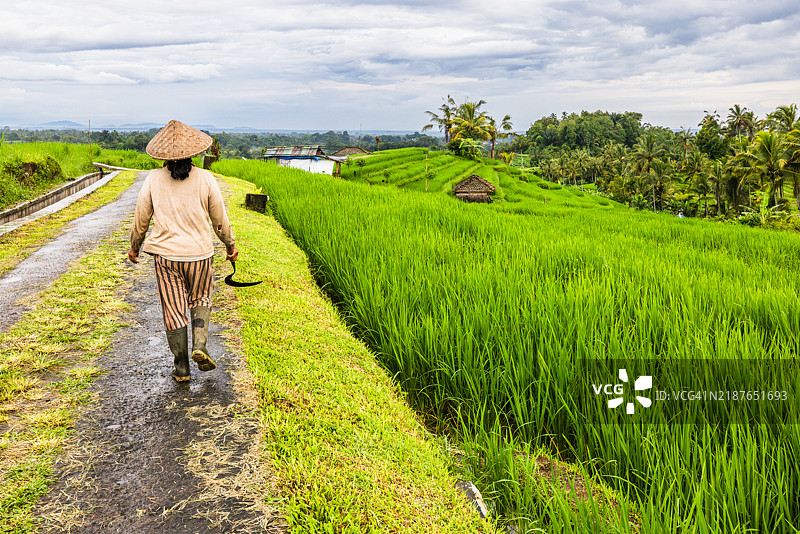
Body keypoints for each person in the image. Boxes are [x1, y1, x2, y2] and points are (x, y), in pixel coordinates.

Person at [128, 120, 238, 382]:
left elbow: (141, 219)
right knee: (201, 298)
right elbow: (219, 220)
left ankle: (182, 368)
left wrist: (134, 247)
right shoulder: (206, 178)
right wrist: (230, 245)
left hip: (166, 258)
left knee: (173, 309)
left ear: (163, 156)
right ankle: (199, 345)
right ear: (193, 153)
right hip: (200, 255)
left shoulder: (153, 179)